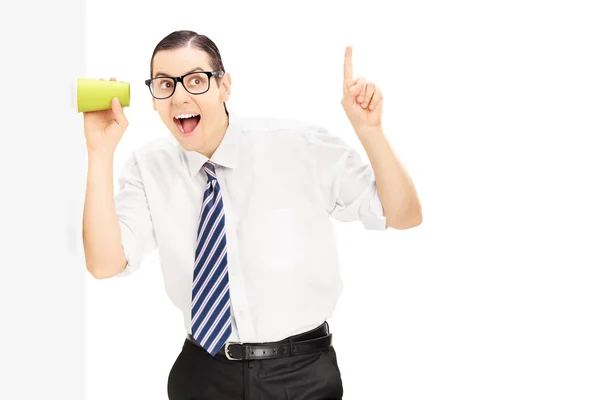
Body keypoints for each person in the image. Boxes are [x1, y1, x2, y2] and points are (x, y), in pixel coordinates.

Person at [82, 30, 422, 400]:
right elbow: (104, 263)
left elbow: (404, 215)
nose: (180, 96)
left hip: (300, 373)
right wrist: (100, 152)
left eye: (196, 80)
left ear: (224, 86)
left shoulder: (299, 146)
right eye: (165, 84)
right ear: (153, 98)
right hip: (202, 373)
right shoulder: (149, 168)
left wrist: (370, 132)